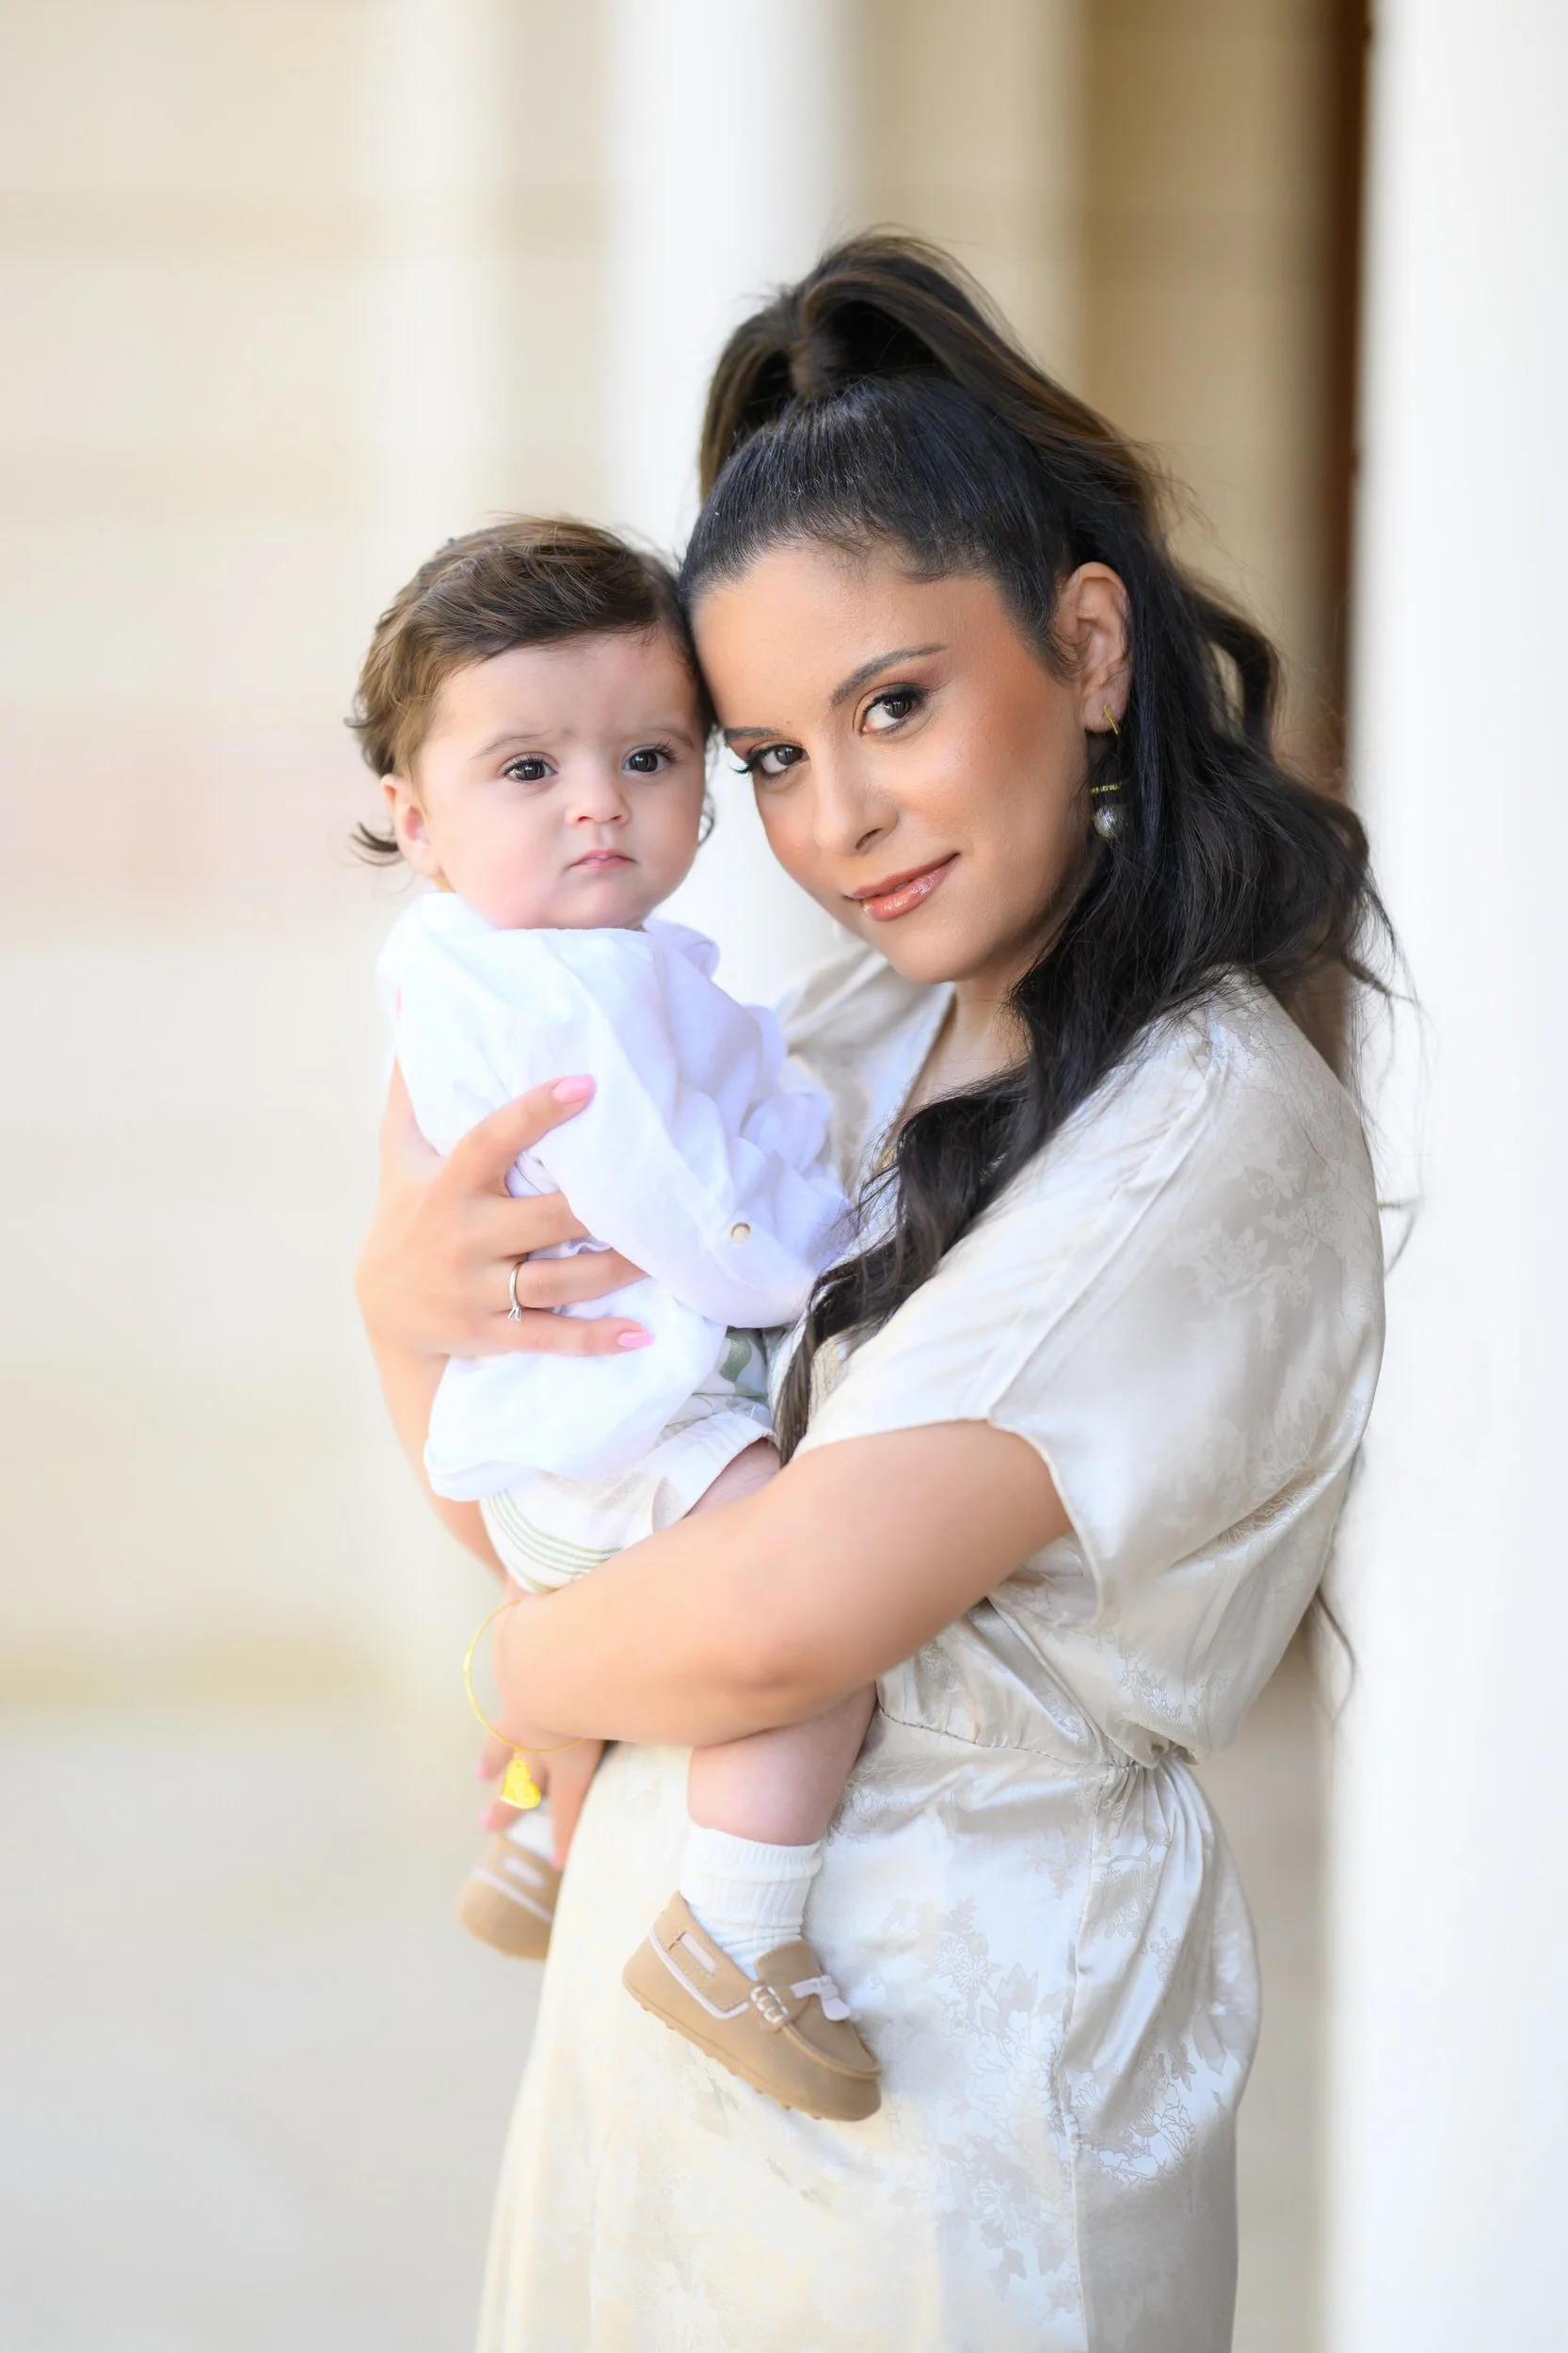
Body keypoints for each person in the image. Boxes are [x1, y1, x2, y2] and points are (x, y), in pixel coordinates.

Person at [355, 236, 1386, 2351]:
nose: (833, 822)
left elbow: (766, 1611)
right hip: (663, 2053)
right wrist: (404, 1307)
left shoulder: (1203, 1135)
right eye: (759, 758)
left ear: (1087, 648)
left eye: (892, 704)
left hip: (955, 2103)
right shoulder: (827, 1029)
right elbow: (554, 1485)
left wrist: (535, 1669)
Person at [355, 518, 882, 2117]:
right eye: (527, 769)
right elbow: (683, 1209)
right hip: (618, 1425)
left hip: (568, 1428)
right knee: (807, 1626)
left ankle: (529, 1830)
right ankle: (735, 1926)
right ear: (416, 818)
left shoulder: (522, 961)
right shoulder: (555, 997)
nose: (598, 798)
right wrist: (824, 1261)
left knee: (654, 1632)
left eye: (647, 755)